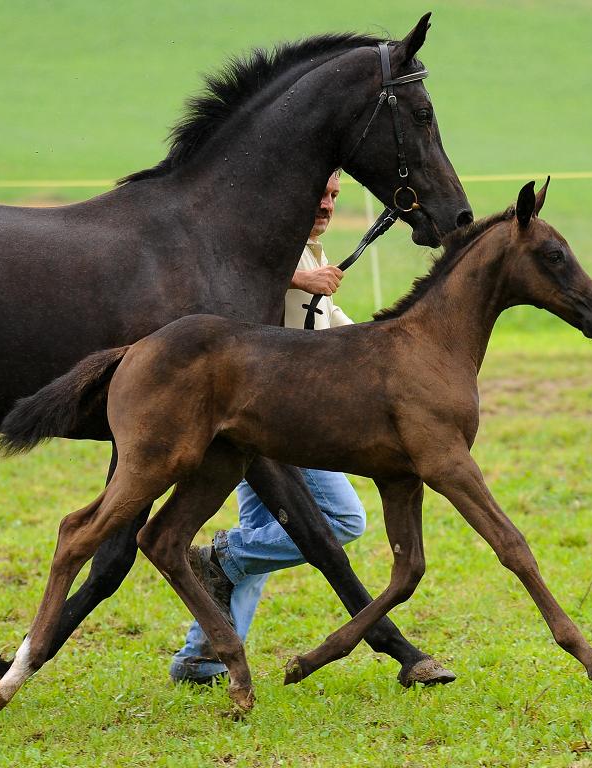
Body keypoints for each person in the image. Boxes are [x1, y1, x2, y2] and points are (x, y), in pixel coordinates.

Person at [169, 171, 366, 684]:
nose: (326, 205)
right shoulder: (273, 247)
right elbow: (232, 280)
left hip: (265, 415)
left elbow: (325, 318)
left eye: (333, 197)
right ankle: (222, 557)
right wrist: (300, 280)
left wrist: (373, 344)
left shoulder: (310, 249)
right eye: (318, 194)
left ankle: (200, 657)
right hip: (280, 414)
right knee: (345, 521)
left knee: (263, 533)